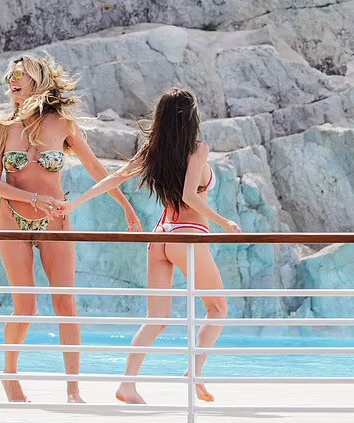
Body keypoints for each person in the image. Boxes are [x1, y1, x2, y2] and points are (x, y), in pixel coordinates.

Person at [55, 87, 242, 404]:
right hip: (187, 235)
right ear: (192, 117)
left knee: (156, 317)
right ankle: (194, 372)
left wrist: (74, 204)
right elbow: (190, 197)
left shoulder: (153, 151)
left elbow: (115, 177)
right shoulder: (198, 150)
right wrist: (225, 222)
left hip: (160, 236)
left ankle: (127, 385)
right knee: (217, 308)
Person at [0, 53, 142, 403]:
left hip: (55, 220)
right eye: (10, 76)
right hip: (11, 219)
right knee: (25, 306)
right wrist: (33, 197)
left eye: (20, 75)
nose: (12, 81)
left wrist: (126, 206)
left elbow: (97, 169)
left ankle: (73, 390)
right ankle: (10, 377)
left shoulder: (63, 124)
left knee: (65, 304)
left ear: (37, 81)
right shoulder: (3, 127)